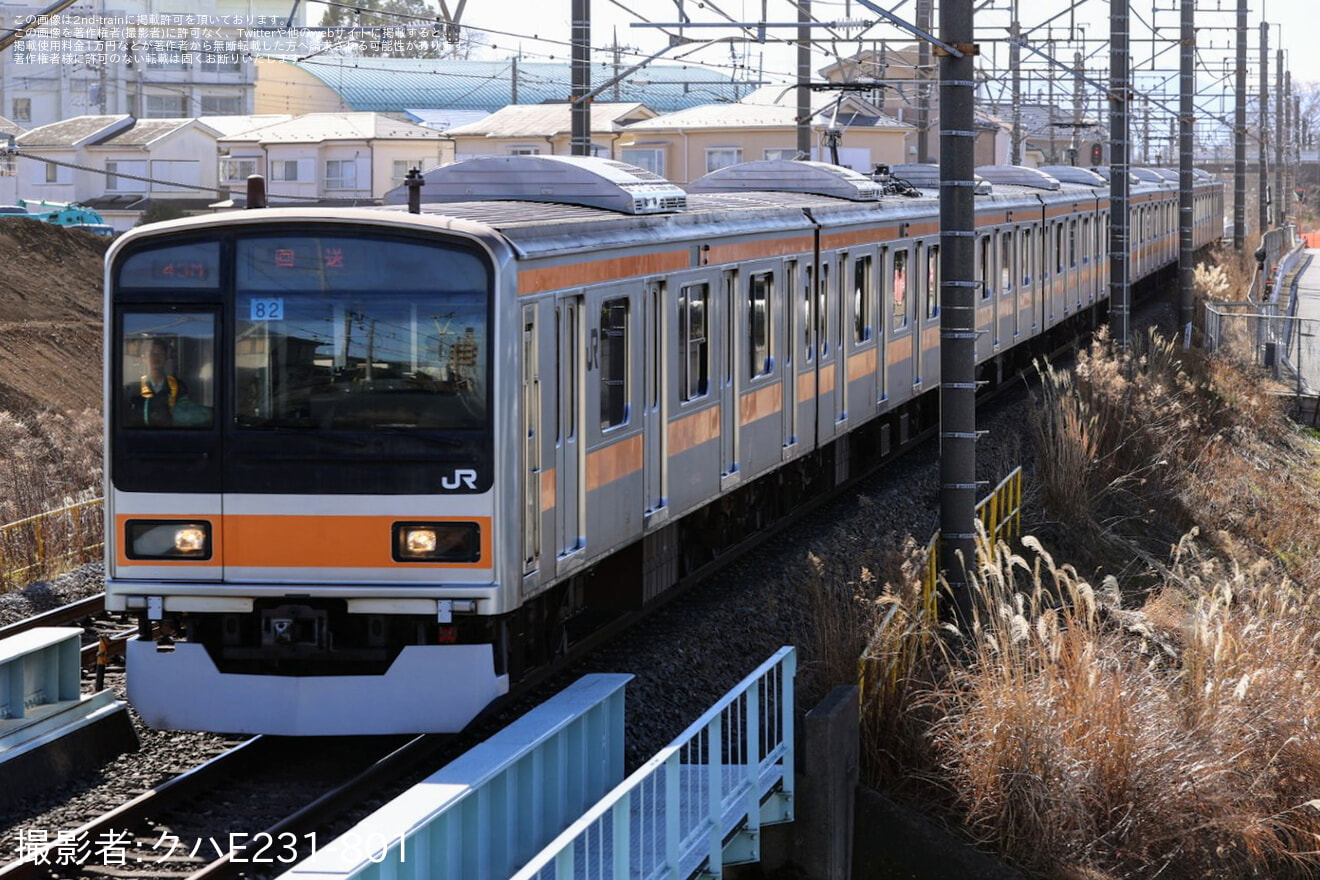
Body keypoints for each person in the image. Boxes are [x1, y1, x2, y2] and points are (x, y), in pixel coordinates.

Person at [125, 337, 191, 427]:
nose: (155, 358)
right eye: (151, 353)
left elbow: (185, 418)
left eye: (159, 353)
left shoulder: (179, 387)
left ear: (166, 357)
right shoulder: (132, 390)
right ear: (143, 358)